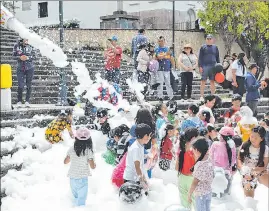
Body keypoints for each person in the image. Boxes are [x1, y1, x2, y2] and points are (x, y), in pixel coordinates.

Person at [64, 127, 96, 206]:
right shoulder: (88, 151)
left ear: (76, 138)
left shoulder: (72, 149)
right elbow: (92, 166)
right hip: (82, 178)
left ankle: (74, 207)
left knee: (75, 197)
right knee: (81, 200)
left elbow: (65, 161)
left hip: (72, 177)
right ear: (89, 140)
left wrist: (71, 157)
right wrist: (94, 164)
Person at [237, 126, 268, 198]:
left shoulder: (265, 149)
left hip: (259, 171)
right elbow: (239, 159)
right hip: (246, 172)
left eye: (256, 138)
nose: (253, 139)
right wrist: (243, 168)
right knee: (248, 194)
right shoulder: (245, 145)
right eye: (251, 136)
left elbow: (264, 166)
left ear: (262, 139)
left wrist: (253, 172)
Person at [175, 127, 199, 210]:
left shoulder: (181, 149)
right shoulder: (195, 150)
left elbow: (176, 167)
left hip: (182, 178)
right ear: (193, 138)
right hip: (192, 179)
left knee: (185, 204)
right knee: (196, 203)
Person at [188, 138, 214, 211]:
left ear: (196, 150)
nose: (193, 152)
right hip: (208, 191)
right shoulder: (209, 159)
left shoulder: (200, 164)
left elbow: (195, 182)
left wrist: (189, 194)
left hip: (200, 194)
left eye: (193, 150)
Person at [123, 123, 152, 189]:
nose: (150, 138)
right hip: (131, 179)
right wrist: (141, 181)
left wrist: (144, 179)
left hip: (135, 178)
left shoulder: (140, 145)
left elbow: (140, 165)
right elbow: (137, 166)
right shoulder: (136, 148)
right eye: (149, 135)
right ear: (144, 135)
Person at [210, 127, 237, 197]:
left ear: (221, 136)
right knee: (226, 195)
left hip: (215, 171)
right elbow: (233, 160)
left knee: (213, 193)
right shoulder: (232, 146)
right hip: (227, 172)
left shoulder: (215, 144)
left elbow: (210, 156)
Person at [13, 38, 36, 107]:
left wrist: (28, 58)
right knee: (20, 85)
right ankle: (19, 101)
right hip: (20, 68)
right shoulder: (16, 45)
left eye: (27, 39)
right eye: (25, 39)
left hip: (30, 68)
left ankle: (27, 101)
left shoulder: (31, 45)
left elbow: (35, 56)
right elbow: (13, 56)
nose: (26, 40)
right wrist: (19, 58)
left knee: (29, 85)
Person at [198, 34, 220, 101]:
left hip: (213, 66)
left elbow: (217, 57)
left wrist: (219, 67)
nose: (209, 40)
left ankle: (213, 95)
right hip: (205, 66)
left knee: (212, 81)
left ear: (213, 40)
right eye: (207, 39)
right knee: (203, 81)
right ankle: (201, 96)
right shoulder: (203, 47)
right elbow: (200, 58)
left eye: (210, 39)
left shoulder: (215, 47)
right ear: (206, 39)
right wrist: (200, 66)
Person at [154, 36, 174, 101]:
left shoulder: (167, 48)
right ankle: (160, 97)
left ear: (164, 41)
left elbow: (171, 58)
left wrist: (173, 66)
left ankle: (171, 97)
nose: (161, 42)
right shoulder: (156, 49)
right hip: (159, 69)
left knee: (168, 83)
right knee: (160, 83)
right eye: (159, 41)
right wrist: (165, 55)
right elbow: (158, 57)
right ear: (158, 41)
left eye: (162, 41)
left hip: (167, 68)